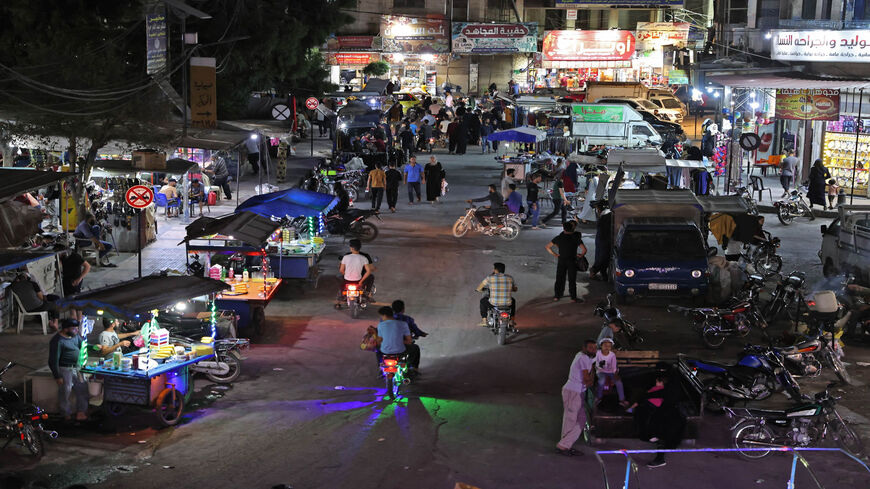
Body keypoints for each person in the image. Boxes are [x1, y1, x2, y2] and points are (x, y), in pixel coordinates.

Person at [556, 339, 597, 456]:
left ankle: (564, 444)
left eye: (595, 348)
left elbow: (596, 358)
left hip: (578, 392)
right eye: (590, 348)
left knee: (581, 419)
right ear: (584, 348)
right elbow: (587, 381)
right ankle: (563, 446)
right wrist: (593, 374)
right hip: (573, 392)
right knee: (570, 420)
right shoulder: (583, 358)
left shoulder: (584, 356)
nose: (593, 350)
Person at [49, 319, 88, 421]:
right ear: (65, 329)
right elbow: (53, 360)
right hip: (64, 368)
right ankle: (66, 413)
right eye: (73, 328)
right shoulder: (58, 341)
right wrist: (57, 376)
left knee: (82, 387)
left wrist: (94, 347)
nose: (76, 330)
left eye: (76, 328)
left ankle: (81, 411)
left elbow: (83, 345)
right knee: (66, 390)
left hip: (77, 367)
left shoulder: (75, 336)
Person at [545, 221, 587, 302]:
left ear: (564, 228)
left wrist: (555, 254)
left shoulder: (559, 237)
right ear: (572, 228)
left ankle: (557, 296)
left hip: (562, 260)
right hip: (572, 260)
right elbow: (584, 250)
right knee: (572, 279)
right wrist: (580, 255)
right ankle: (573, 297)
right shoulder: (576, 237)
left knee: (560, 278)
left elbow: (547, 247)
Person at [376, 306, 420, 380]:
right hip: (400, 351)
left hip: (385, 351)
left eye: (381, 316)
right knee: (415, 348)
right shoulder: (403, 324)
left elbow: (379, 340)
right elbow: (409, 340)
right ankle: (411, 368)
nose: (381, 318)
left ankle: (380, 366)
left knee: (377, 349)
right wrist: (401, 341)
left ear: (384, 315)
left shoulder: (381, 325)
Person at [475, 262, 517, 327]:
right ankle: (512, 320)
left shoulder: (490, 277)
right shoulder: (510, 278)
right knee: (513, 301)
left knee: (483, 301)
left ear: (495, 270)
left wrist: (478, 290)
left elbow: (479, 287)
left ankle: (484, 321)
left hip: (494, 304)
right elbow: (515, 289)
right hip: (507, 304)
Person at [338, 239, 375, 304]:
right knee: (371, 277)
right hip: (358, 280)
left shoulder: (346, 257)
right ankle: (367, 293)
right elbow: (368, 271)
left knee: (340, 278)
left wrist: (346, 275)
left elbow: (341, 270)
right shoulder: (364, 257)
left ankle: (342, 295)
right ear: (359, 247)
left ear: (351, 248)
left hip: (347, 280)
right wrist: (361, 281)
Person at [595, 338, 627, 407]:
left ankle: (622, 400)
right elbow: (595, 363)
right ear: (601, 346)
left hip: (611, 372)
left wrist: (615, 376)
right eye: (605, 345)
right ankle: (599, 397)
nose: (607, 347)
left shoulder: (612, 355)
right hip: (601, 371)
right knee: (601, 381)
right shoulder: (597, 353)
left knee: (619, 382)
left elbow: (614, 367)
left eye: (609, 346)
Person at [589, 207, 612, 280]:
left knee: (600, 256)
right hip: (605, 240)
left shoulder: (604, 217)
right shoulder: (610, 217)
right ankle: (596, 272)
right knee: (603, 257)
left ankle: (601, 273)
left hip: (601, 239)